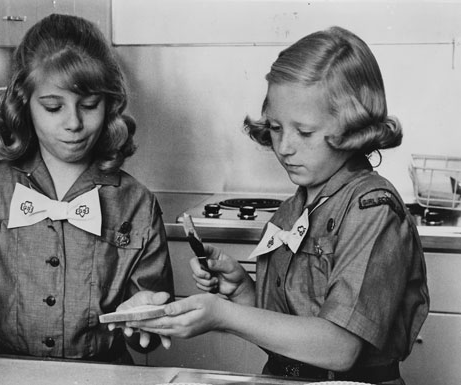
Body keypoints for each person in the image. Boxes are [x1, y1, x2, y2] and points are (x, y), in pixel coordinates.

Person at [125, 26, 429, 384]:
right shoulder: (291, 210)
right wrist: (243, 293)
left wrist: (223, 315)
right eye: (274, 127)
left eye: (304, 132)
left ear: (354, 126)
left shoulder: (373, 210)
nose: (284, 147)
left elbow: (339, 348)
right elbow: (290, 334)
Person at [0, 14, 174, 363]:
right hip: (10, 372)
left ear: (110, 104)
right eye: (53, 107)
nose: (73, 122)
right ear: (24, 104)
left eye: (89, 105)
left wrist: (149, 319)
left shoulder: (137, 204)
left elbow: (150, 336)